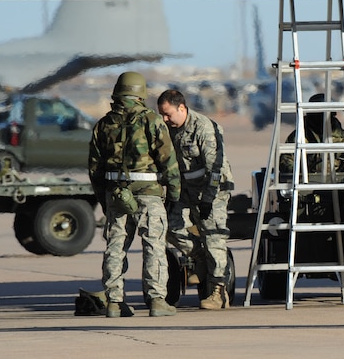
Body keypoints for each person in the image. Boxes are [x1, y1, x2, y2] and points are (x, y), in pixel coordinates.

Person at [88, 71, 181, 318]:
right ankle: (157, 301)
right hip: (148, 194)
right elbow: (168, 160)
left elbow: (95, 168)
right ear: (140, 93)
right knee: (153, 245)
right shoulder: (151, 120)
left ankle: (114, 303)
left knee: (116, 247)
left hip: (116, 195)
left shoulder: (104, 124)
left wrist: (104, 200)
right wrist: (174, 193)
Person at [157, 89, 235, 310]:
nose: (165, 119)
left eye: (168, 114)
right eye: (162, 115)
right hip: (185, 190)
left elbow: (215, 167)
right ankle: (199, 259)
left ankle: (218, 292)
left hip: (212, 189)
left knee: (214, 235)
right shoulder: (169, 130)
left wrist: (209, 199)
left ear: (181, 108)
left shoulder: (203, 128)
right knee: (169, 227)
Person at [279, 93, 344, 175]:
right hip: (307, 181)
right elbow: (286, 159)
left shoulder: (343, 137)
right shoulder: (300, 136)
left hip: (337, 181)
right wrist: (299, 173)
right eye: (319, 114)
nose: (322, 118)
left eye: (326, 114)